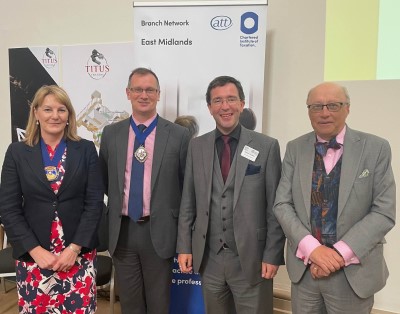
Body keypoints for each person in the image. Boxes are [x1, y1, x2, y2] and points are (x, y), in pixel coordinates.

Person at [273, 82, 396, 314]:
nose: (325, 112)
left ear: (347, 108)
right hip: (305, 271)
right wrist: (314, 250)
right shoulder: (295, 148)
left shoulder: (375, 148)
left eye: (333, 105)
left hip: (352, 275)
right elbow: (282, 204)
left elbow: (383, 212)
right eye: (317, 106)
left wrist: (337, 254)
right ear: (309, 111)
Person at [177, 75, 285, 314]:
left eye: (231, 99)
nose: (225, 106)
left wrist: (272, 254)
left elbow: (275, 208)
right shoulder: (197, 147)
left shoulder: (266, 146)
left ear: (242, 103)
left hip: (253, 259)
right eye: (217, 101)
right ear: (209, 108)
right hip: (210, 258)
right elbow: (188, 201)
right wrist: (184, 246)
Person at [0, 85, 104, 313]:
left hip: (77, 256)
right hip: (34, 257)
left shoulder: (85, 150)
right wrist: (36, 251)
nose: (55, 116)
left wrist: (74, 249)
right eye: (47, 109)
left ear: (69, 115)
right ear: (36, 113)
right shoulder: (17, 153)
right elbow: (8, 208)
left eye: (61, 109)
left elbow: (95, 203)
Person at [99, 67, 190, 314]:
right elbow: (106, 180)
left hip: (159, 231)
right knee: (129, 303)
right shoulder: (111, 134)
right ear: (128, 93)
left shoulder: (179, 136)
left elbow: (185, 189)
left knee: (159, 303)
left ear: (158, 94)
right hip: (123, 231)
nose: (144, 94)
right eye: (137, 89)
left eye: (150, 89)